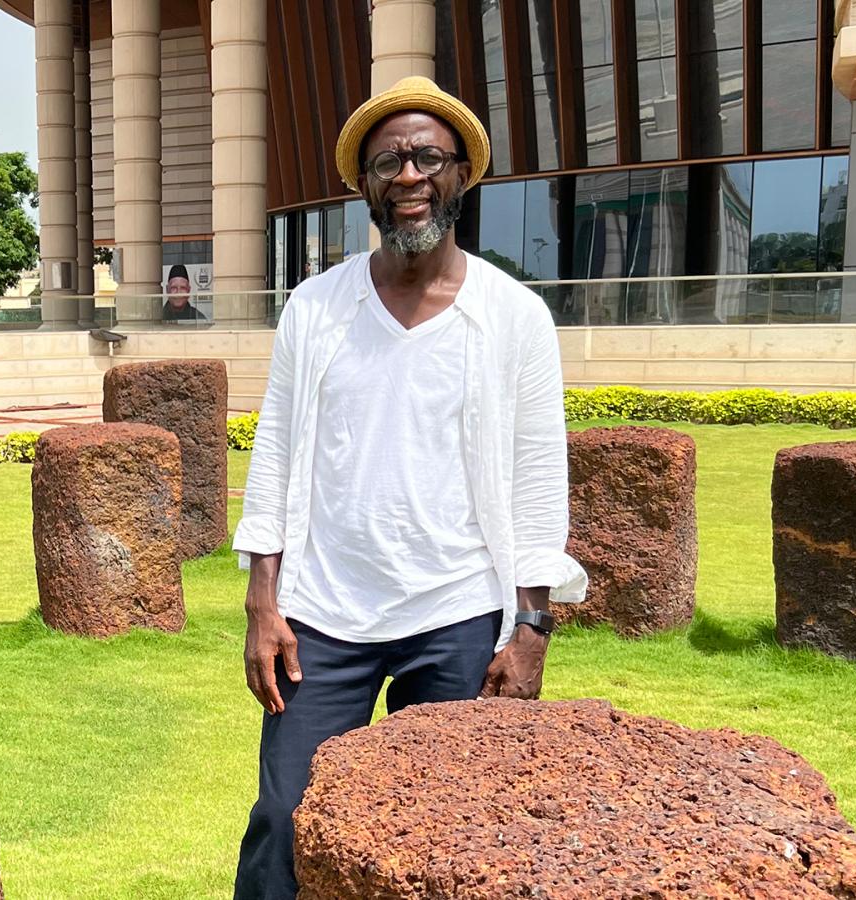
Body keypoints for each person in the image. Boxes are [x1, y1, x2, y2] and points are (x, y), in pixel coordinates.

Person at [230, 76, 587, 899]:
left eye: (429, 156)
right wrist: (263, 602)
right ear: (365, 184)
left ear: (463, 174)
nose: (409, 174)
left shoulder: (514, 316)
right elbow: (276, 452)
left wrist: (530, 627)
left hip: (457, 611)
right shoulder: (316, 308)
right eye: (388, 160)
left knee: (450, 834)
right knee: (286, 819)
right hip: (323, 613)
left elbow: (538, 478)